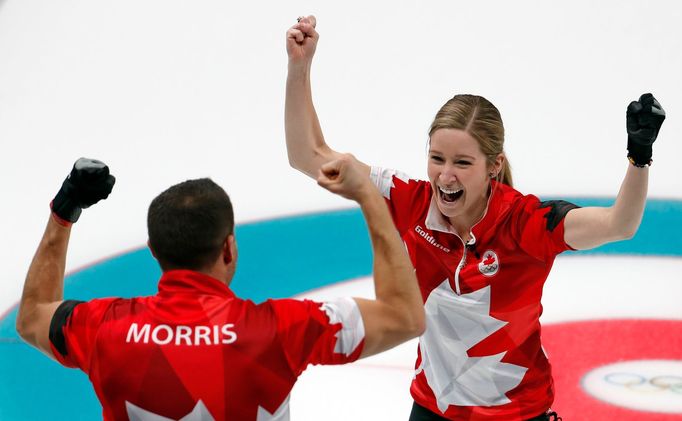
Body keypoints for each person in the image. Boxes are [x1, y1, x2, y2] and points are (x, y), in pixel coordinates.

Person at [285, 15, 666, 421]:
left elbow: (619, 225)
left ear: (493, 166)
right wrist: (299, 67)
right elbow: (308, 156)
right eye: (437, 159)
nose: (445, 175)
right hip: (433, 409)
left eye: (462, 163)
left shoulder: (527, 223)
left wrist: (639, 156)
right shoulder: (409, 201)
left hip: (519, 414)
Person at [16, 156, 425, 420]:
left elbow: (33, 315)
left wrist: (64, 212)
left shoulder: (105, 327)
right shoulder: (279, 329)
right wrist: (369, 197)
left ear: (154, 252)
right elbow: (404, 316)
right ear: (229, 248)